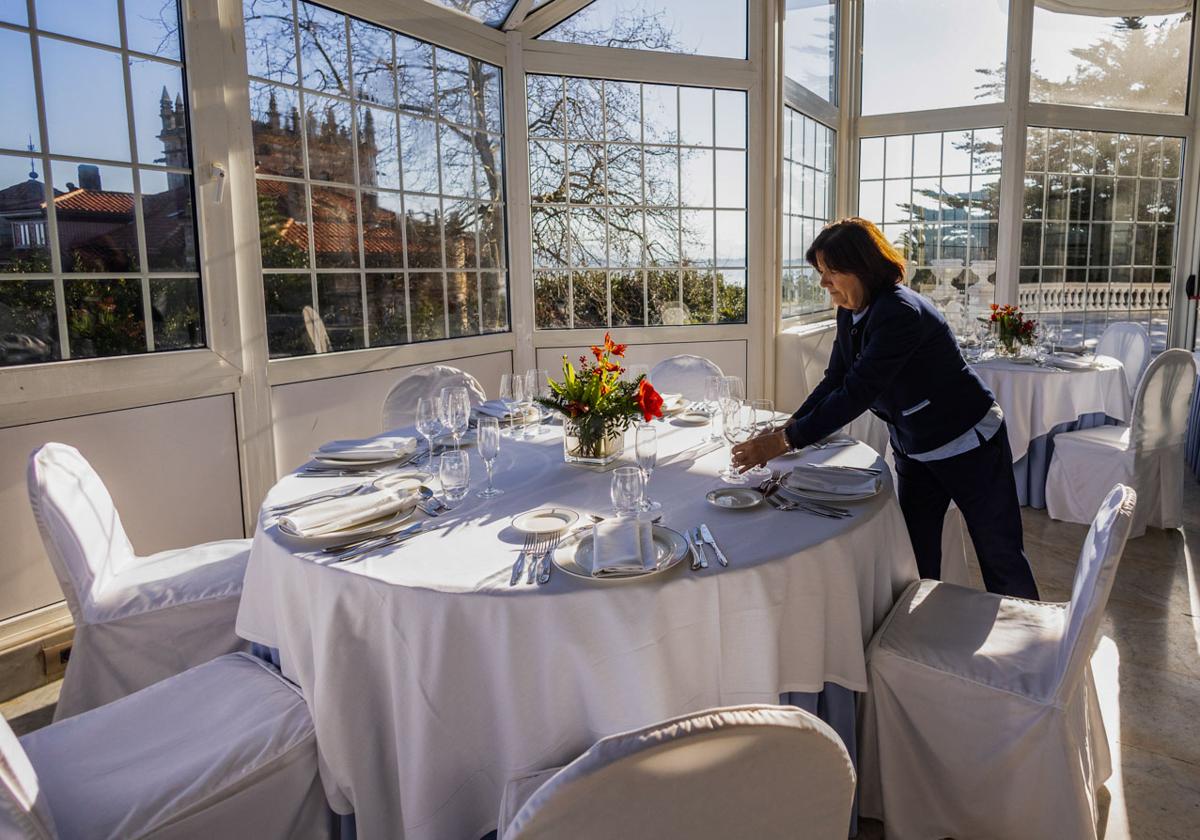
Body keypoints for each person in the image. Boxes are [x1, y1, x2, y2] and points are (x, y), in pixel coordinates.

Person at [732, 217, 1039, 599]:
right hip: (915, 447)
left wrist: (786, 442)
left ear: (860, 267)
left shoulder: (900, 312)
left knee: (1000, 555)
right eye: (821, 272)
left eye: (829, 272)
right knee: (914, 553)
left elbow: (858, 392)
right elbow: (836, 380)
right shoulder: (850, 310)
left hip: (969, 443)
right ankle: (925, 637)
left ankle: (1032, 649)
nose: (823, 282)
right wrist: (790, 425)